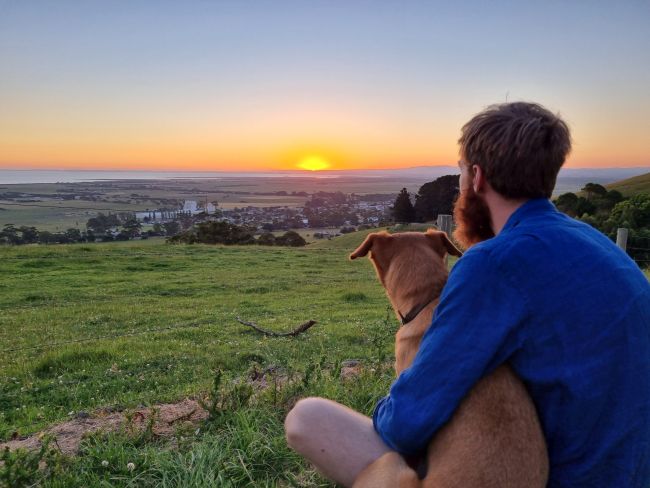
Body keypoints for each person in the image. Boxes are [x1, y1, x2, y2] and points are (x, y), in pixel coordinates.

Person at [284, 102, 650, 487]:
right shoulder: (597, 243)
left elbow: (408, 420)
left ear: (476, 177)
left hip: (563, 476)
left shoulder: (493, 262)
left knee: (307, 419)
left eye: (460, 169)